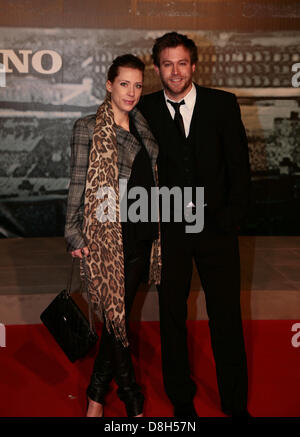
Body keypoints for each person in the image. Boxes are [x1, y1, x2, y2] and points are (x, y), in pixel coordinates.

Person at [138, 32, 251, 417]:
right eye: (167, 64)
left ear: (194, 66)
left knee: (227, 317)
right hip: (169, 232)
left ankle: (236, 405)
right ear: (156, 69)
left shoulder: (222, 104)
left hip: (217, 231)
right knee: (171, 316)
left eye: (182, 63)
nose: (175, 71)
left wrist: (230, 220)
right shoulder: (144, 109)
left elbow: (239, 166)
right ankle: (181, 401)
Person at [64, 54, 161, 417]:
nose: (132, 92)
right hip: (107, 239)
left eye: (138, 85)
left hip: (143, 234)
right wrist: (73, 233)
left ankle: (95, 397)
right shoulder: (87, 127)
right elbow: (76, 184)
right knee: (116, 319)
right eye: (124, 84)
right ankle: (132, 400)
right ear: (109, 85)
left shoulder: (144, 128)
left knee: (115, 321)